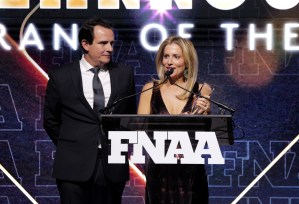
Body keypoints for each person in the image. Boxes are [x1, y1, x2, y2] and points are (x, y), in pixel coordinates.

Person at [43, 17, 136, 204]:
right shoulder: (61, 76)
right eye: (103, 43)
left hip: (112, 165)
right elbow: (50, 120)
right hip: (72, 166)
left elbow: (129, 117)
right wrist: (72, 144)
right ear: (85, 44)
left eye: (111, 43)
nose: (109, 48)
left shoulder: (124, 74)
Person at [137, 36, 212, 204]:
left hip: (190, 172)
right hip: (159, 171)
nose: (169, 62)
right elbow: (139, 132)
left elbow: (208, 134)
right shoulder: (150, 89)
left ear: (188, 61)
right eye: (166, 56)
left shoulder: (202, 90)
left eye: (176, 57)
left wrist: (206, 113)